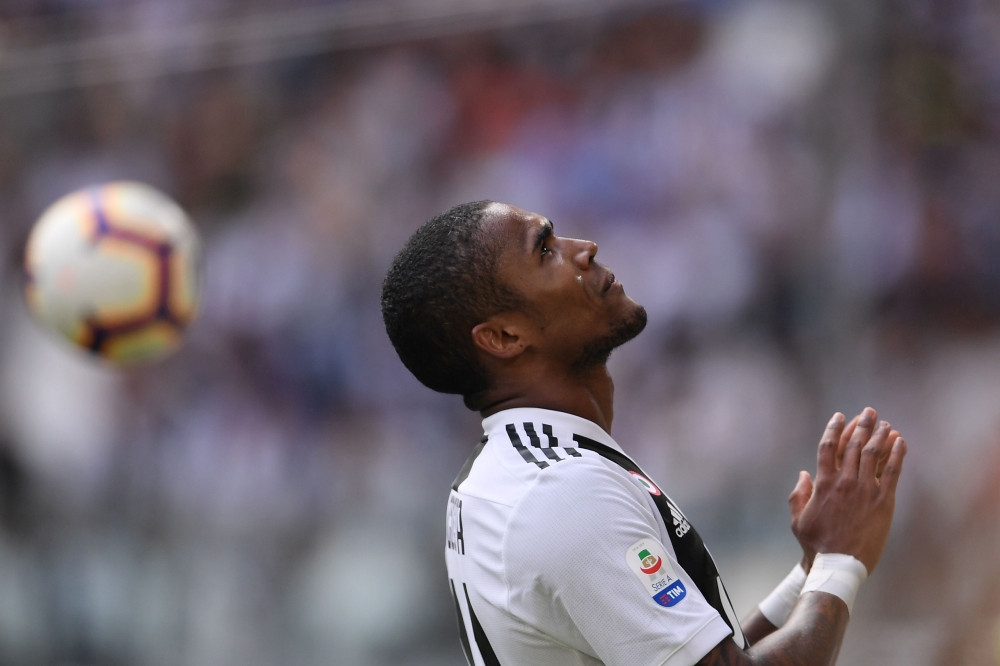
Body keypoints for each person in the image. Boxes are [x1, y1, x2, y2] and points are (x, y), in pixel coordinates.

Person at [380, 200, 908, 666]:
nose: (583, 248)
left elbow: (692, 653)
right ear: (503, 336)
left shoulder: (524, 470)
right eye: (544, 250)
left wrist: (809, 573)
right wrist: (843, 559)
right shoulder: (559, 492)